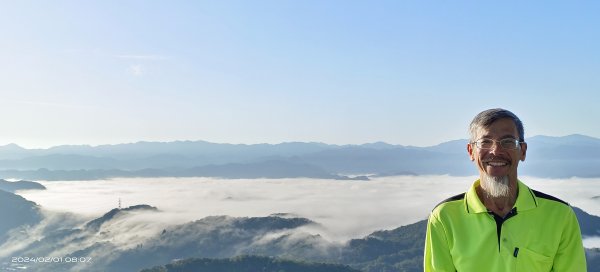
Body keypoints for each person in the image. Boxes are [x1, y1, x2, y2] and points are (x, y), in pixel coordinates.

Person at [424, 108, 586, 271]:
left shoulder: (560, 216)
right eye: (485, 142)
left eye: (508, 142)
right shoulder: (444, 218)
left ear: (522, 151)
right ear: (471, 151)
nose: (496, 151)